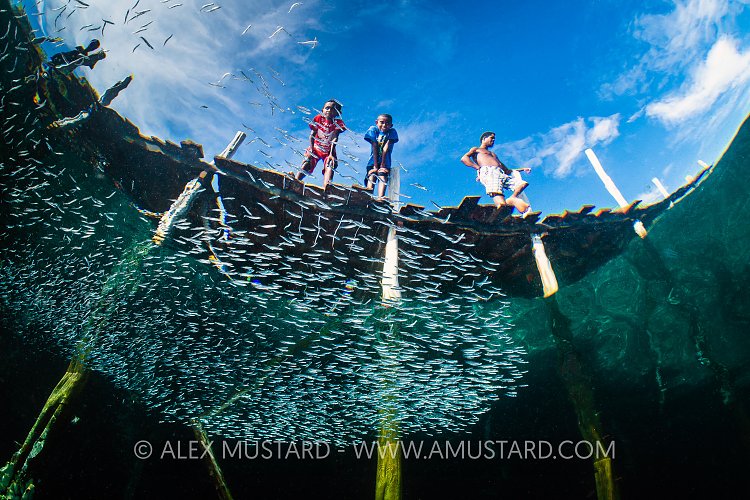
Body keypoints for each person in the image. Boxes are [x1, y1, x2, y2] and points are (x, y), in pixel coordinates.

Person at [461, 131, 531, 215]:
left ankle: (512, 198)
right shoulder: (476, 149)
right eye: (491, 138)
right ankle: (503, 213)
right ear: (484, 139)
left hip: (501, 173)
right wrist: (477, 167)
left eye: (494, 138)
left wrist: (523, 169)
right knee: (497, 195)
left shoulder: (493, 154)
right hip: (489, 172)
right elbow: (464, 158)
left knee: (522, 184)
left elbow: (507, 170)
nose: (493, 140)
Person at [295, 99, 346, 191]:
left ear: (338, 113)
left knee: (330, 164)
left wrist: (331, 154)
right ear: (322, 109)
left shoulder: (338, 123)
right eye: (327, 108)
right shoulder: (318, 119)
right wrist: (311, 149)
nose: (329, 110)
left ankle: (326, 187)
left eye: (333, 109)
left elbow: (335, 138)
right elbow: (312, 135)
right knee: (307, 161)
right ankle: (296, 180)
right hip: (316, 147)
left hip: (328, 151)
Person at [364, 114, 399, 199]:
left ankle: (381, 196)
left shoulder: (392, 132)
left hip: (385, 161)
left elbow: (386, 147)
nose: (384, 125)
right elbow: (374, 145)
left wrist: (383, 164)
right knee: (373, 174)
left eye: (387, 123)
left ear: (391, 125)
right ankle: (368, 195)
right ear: (377, 122)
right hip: (373, 160)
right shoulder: (373, 129)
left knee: (382, 174)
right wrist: (376, 166)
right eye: (381, 122)